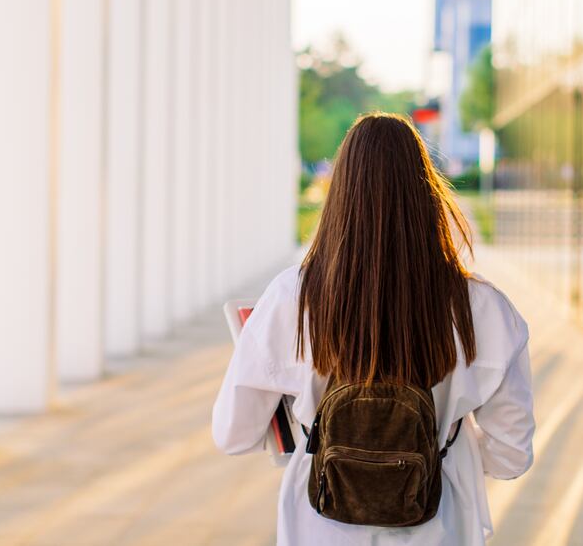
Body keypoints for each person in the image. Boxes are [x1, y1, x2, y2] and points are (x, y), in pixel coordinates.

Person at [212, 112, 535, 545]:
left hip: (319, 528)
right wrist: (444, 439)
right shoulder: (484, 308)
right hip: (439, 528)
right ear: (427, 192)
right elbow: (511, 456)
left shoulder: (293, 297)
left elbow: (233, 434)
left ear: (340, 194)